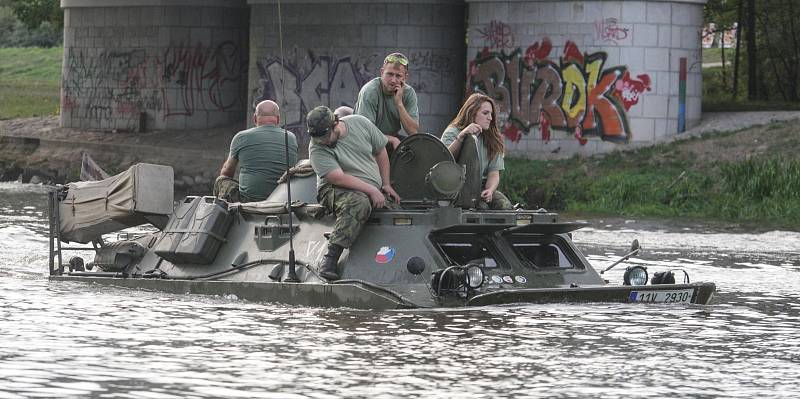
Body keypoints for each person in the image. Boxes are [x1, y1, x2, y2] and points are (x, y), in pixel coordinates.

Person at [307, 106, 401, 280]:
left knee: (397, 211)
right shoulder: (317, 147)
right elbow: (338, 178)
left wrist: (385, 183)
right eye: (318, 139)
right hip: (334, 190)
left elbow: (380, 150)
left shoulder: (360, 123)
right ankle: (330, 258)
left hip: (371, 188)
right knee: (359, 202)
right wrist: (372, 190)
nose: (323, 142)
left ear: (335, 124)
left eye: (326, 137)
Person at [214, 100, 298, 202]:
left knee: (221, 180)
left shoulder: (241, 137)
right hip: (282, 200)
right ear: (278, 119)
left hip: (249, 201)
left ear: (254, 118)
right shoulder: (291, 137)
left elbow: (227, 171)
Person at [440, 93, 512, 210]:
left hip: (480, 189)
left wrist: (489, 190)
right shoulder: (452, 132)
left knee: (505, 206)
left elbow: (494, 174)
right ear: (472, 113)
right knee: (482, 209)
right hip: (455, 190)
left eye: (491, 114)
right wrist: (462, 137)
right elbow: (443, 161)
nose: (490, 118)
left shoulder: (492, 139)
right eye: (485, 113)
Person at [354, 52, 419, 150]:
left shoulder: (408, 93)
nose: (393, 80)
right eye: (389, 74)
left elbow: (413, 132)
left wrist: (399, 104)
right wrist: (392, 139)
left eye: (398, 76)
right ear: (382, 72)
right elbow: (365, 133)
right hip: (364, 142)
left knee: (417, 147)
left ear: (405, 77)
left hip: (390, 138)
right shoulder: (370, 91)